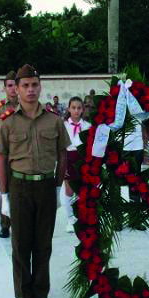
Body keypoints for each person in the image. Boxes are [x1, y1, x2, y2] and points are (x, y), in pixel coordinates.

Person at [0, 64, 71, 298]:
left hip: (46, 186)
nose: (30, 90)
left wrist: (59, 187)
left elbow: (62, 154)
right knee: (21, 246)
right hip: (19, 187)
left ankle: (41, 295)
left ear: (40, 87)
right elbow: (1, 159)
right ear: (16, 88)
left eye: (34, 85)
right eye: (25, 85)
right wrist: (4, 196)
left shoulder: (54, 120)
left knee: (43, 246)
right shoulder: (8, 121)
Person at [0, 71, 19, 238]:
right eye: (9, 85)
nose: (13, 88)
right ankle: (5, 225)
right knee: (5, 191)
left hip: (24, 156)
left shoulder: (27, 105)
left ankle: (22, 223)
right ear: (4, 88)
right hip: (6, 157)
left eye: (15, 84)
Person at [60, 96, 91, 232]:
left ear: (83, 110)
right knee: (69, 190)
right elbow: (60, 146)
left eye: (79, 108)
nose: (76, 111)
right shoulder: (63, 126)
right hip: (68, 157)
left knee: (82, 189)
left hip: (82, 158)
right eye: (73, 108)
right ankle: (70, 218)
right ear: (69, 109)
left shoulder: (87, 126)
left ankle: (81, 217)